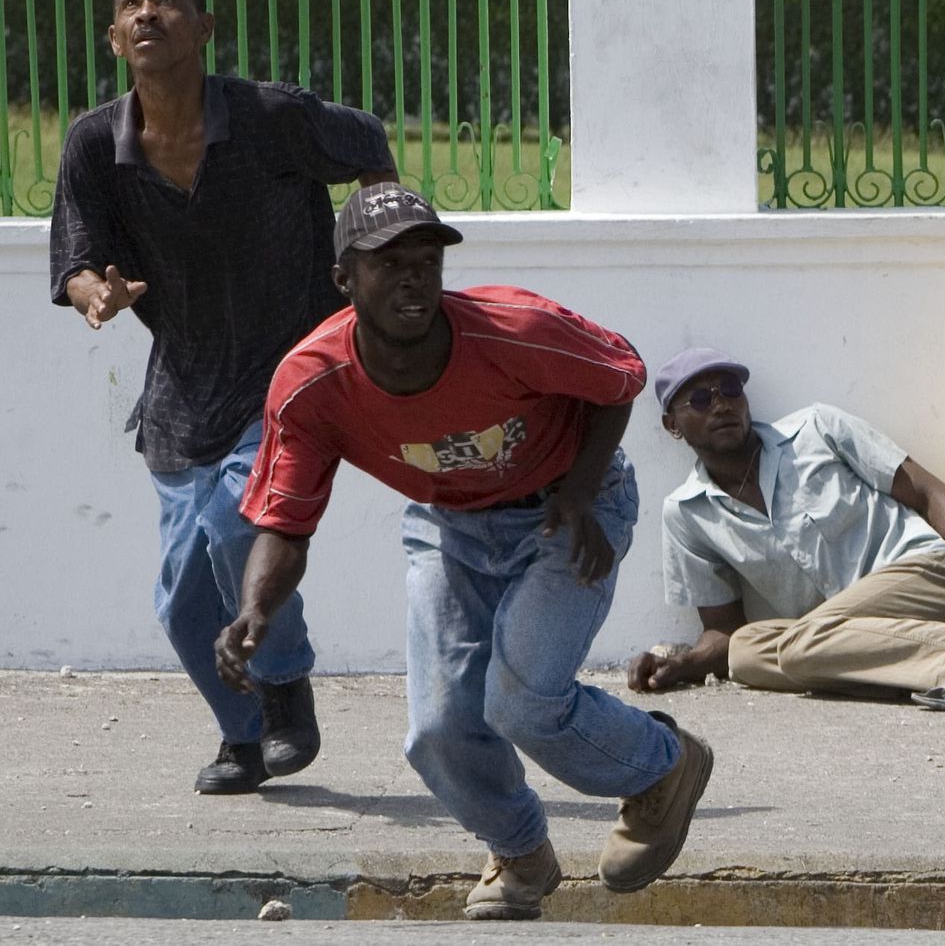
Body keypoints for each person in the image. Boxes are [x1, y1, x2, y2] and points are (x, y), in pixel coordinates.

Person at [215, 184, 711, 921]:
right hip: (449, 524)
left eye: (426, 260)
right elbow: (286, 522)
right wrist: (257, 610)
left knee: (523, 702)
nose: (413, 278)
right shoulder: (312, 385)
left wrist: (579, 490)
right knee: (438, 730)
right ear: (344, 278)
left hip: (568, 509)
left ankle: (663, 765)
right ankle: (519, 850)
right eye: (389, 264)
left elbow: (618, 376)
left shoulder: (513, 328)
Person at [48, 0, 397, 795]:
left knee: (240, 526)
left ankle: (284, 692)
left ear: (204, 29)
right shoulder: (95, 143)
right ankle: (244, 738)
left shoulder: (271, 116)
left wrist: (374, 260)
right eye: (132, 2)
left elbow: (369, 145)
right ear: (114, 38)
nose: (148, 11)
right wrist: (100, 295)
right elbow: (75, 262)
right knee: (180, 599)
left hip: (292, 369)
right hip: (182, 387)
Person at [628, 349, 945, 710]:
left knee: (800, 647)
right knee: (744, 653)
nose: (721, 405)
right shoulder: (686, 513)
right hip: (841, 630)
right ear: (672, 425)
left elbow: (926, 490)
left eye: (731, 390)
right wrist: (682, 664)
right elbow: (724, 630)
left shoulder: (817, 430)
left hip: (925, 571)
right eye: (701, 399)